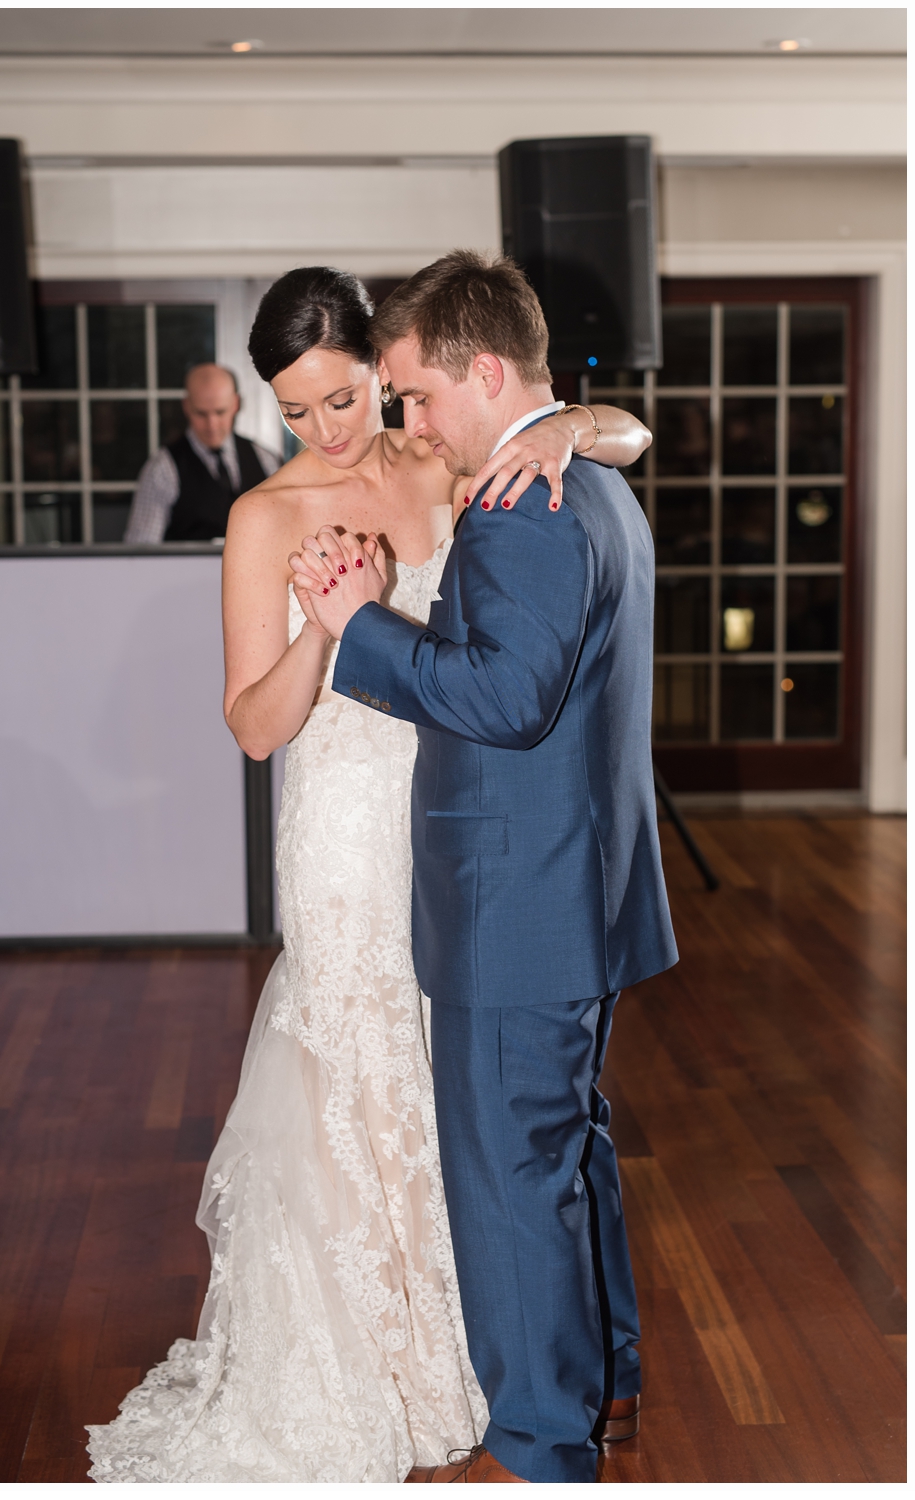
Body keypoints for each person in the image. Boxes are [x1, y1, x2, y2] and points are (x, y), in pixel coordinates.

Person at [85, 266, 652, 1483]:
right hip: (350, 828)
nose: (327, 432)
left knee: (499, 1115)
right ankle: (392, 1357)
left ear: (377, 370)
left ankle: (510, 1364)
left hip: (473, 823)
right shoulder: (263, 514)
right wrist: (330, 620)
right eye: (294, 413)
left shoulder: (445, 458)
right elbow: (252, 725)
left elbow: (618, 438)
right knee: (377, 1079)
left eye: (344, 398)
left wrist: (569, 421)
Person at [290, 251, 678, 1485]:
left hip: (517, 905)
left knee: (511, 1188)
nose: (408, 419)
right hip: (582, 891)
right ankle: (605, 1376)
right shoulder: (594, 483)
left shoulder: (526, 504)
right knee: (567, 1150)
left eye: (411, 393)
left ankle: (542, 1446)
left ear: (487, 371)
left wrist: (359, 630)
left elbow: (503, 701)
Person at [123, 362, 280, 543]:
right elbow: (142, 547)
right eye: (201, 414)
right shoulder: (162, 469)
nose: (211, 425)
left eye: (220, 412)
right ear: (187, 407)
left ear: (235, 404)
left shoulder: (266, 460)